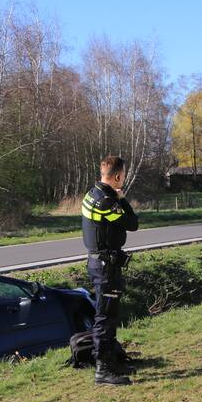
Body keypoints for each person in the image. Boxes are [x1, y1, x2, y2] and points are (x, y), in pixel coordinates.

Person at [81, 155, 139, 386]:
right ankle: (103, 369)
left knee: (109, 316)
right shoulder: (106, 201)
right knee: (104, 318)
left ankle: (113, 361)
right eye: (122, 176)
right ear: (117, 176)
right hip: (105, 266)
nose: (123, 180)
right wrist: (122, 200)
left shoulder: (91, 194)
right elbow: (132, 224)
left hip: (100, 263)